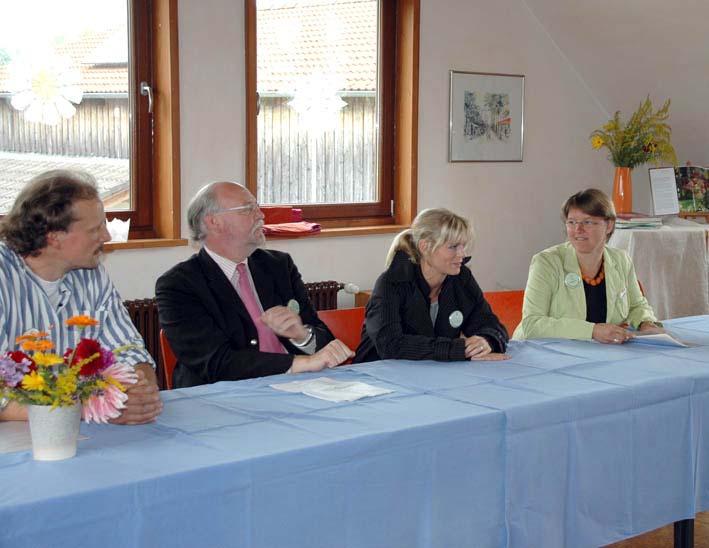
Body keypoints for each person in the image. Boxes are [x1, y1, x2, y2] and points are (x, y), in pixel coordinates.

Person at [0, 170, 162, 424]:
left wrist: (139, 390)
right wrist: (90, 409)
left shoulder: (91, 274)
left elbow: (128, 349)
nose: (106, 236)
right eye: (95, 228)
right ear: (53, 236)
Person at [155, 182, 352, 388]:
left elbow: (323, 337)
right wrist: (299, 363)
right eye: (248, 209)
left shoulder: (278, 266)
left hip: (296, 388)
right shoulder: (179, 285)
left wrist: (302, 336)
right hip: (221, 400)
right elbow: (215, 363)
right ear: (214, 222)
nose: (261, 215)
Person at [353, 208, 509, 363]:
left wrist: (486, 341)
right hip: (376, 377)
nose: (461, 254)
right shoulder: (391, 284)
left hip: (431, 375)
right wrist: (456, 349)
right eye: (453, 247)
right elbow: (391, 345)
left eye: (463, 246)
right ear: (424, 246)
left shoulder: (462, 278)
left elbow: (492, 326)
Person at [513, 188, 663, 343]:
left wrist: (646, 323)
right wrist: (592, 331)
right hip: (544, 352)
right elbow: (532, 324)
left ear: (609, 225)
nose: (578, 229)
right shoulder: (546, 262)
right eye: (572, 222)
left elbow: (637, 306)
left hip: (600, 352)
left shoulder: (621, 260)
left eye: (588, 222)